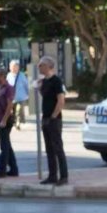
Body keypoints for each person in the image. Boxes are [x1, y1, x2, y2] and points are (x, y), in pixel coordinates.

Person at [37, 56, 68, 186]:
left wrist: (54, 116)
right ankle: (52, 175)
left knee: (58, 148)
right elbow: (45, 96)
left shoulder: (56, 81)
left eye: (42, 65)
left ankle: (64, 176)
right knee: (49, 149)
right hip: (45, 117)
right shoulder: (43, 81)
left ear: (49, 66)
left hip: (54, 119)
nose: (39, 67)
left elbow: (61, 100)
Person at [6, 60, 30, 129]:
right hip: (12, 98)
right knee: (13, 111)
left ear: (18, 68)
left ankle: (18, 122)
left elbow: (26, 85)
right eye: (12, 67)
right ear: (10, 68)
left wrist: (28, 94)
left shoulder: (22, 75)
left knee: (19, 110)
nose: (14, 68)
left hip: (21, 97)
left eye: (15, 67)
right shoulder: (8, 75)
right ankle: (15, 121)